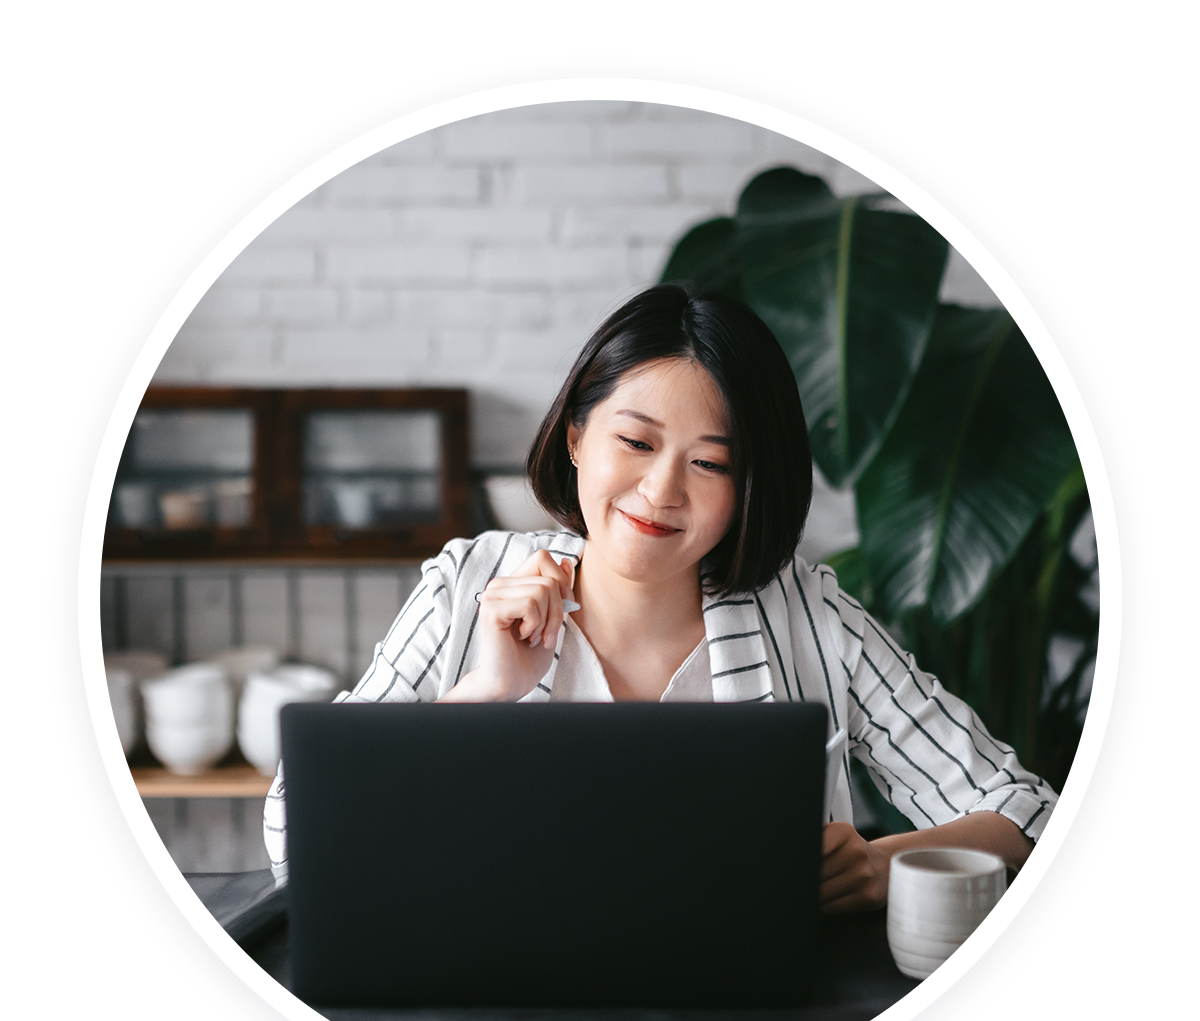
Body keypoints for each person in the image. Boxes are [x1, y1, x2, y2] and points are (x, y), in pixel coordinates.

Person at [264, 283, 1056, 912]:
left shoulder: (809, 616)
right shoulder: (465, 586)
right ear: (576, 437)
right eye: (635, 442)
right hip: (491, 1016)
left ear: (748, 489)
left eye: (710, 464)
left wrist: (881, 864)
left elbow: (1026, 812)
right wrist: (484, 692)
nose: (659, 490)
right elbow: (299, 832)